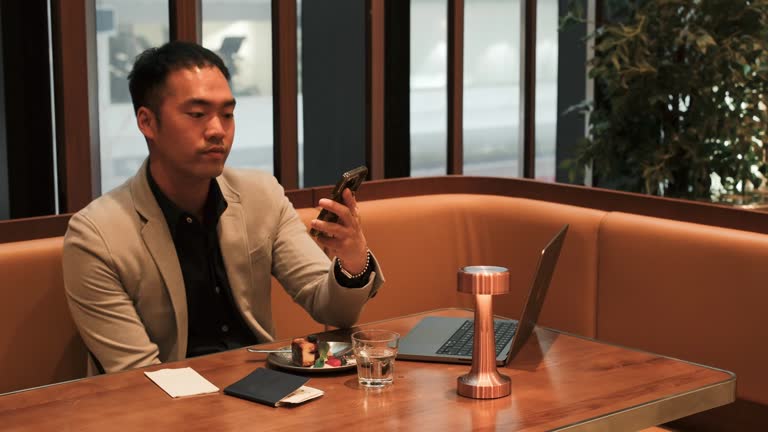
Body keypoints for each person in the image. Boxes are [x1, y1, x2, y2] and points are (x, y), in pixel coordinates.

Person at [62, 41, 384, 374]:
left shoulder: (261, 195)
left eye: (227, 114)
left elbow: (331, 311)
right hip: (166, 406)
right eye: (197, 114)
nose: (218, 131)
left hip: (264, 389)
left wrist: (353, 261)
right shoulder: (96, 235)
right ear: (147, 122)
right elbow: (135, 375)